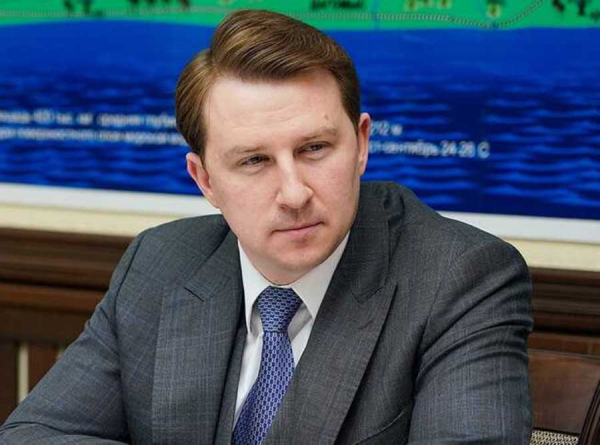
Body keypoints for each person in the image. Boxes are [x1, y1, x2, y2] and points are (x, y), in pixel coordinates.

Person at [0, 9, 533, 444]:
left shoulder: (459, 277)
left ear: (361, 144)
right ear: (205, 179)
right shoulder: (160, 263)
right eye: (254, 161)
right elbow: (34, 434)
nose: (295, 193)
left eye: (315, 148)